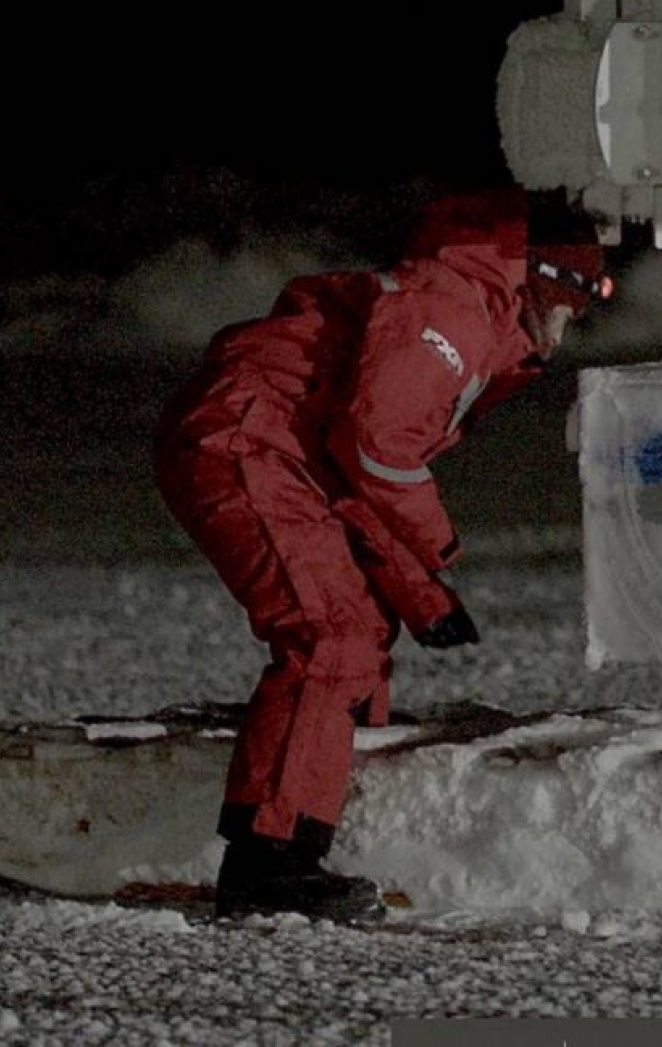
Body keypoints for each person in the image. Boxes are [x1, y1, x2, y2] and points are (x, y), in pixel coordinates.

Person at [152, 189, 610, 919]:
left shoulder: (469, 314)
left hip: (282, 449)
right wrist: (439, 549)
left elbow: (355, 474)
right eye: (567, 308)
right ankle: (269, 861)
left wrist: (424, 596)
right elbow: (378, 451)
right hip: (245, 440)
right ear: (540, 279)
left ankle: (324, 799)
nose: (558, 337)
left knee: (361, 626)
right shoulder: (454, 308)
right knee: (330, 634)